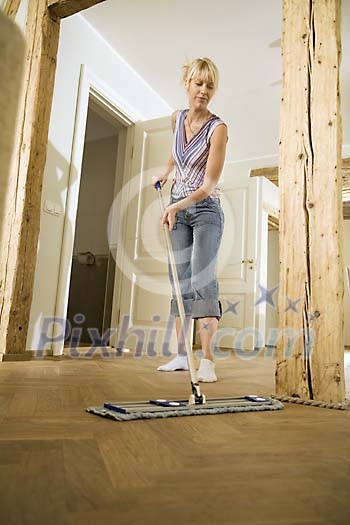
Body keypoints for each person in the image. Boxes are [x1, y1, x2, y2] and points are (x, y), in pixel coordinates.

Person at [152, 57, 227, 382]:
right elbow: (175, 152)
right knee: (180, 282)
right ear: (187, 85)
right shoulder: (176, 118)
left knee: (202, 280)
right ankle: (183, 356)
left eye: (209, 85)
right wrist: (165, 171)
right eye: (199, 83)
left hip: (206, 209)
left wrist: (175, 205)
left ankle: (207, 360)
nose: (204, 91)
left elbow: (208, 184)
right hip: (177, 209)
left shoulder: (218, 128)